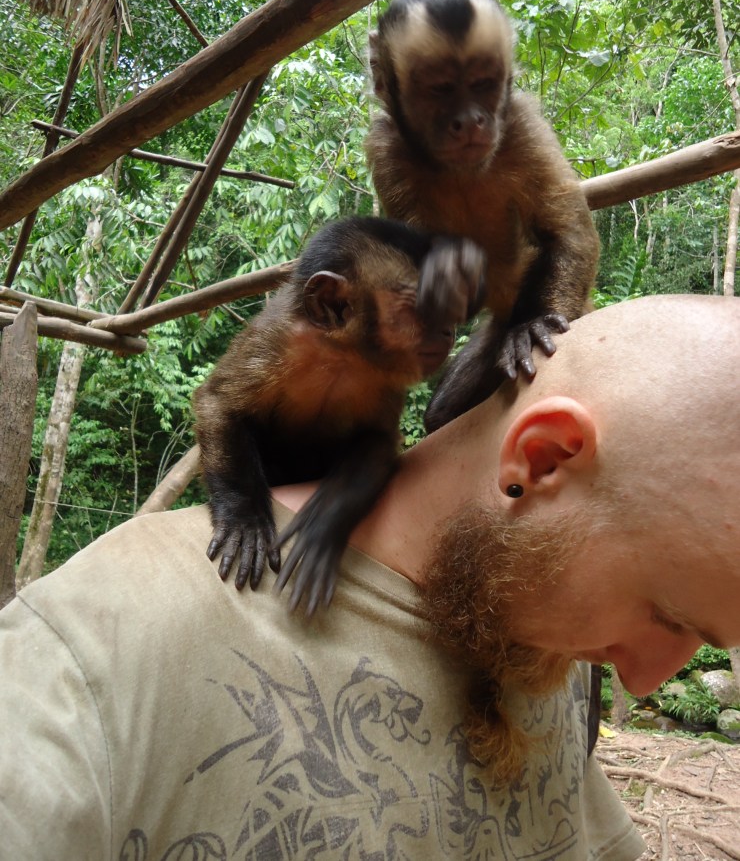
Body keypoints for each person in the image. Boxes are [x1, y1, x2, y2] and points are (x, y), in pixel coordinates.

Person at [3, 293, 738, 861]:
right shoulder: (99, 639)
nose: (646, 681)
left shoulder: (538, 646)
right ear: (540, 461)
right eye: (670, 618)